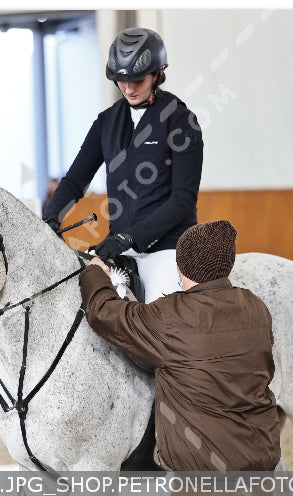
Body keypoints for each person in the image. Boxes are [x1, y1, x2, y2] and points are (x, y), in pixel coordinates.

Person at [79, 220, 280, 496]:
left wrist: (94, 272)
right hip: (261, 471)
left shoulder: (174, 315)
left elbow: (105, 314)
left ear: (182, 266)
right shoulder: (254, 306)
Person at [42, 27, 203, 303]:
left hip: (167, 250)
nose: (128, 88)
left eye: (137, 80)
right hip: (118, 249)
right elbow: (74, 182)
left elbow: (183, 200)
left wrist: (131, 237)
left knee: (159, 321)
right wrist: (50, 218)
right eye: (121, 80)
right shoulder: (106, 122)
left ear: (157, 73)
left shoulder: (181, 121)